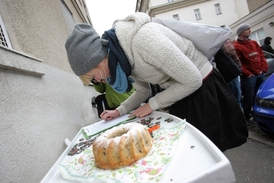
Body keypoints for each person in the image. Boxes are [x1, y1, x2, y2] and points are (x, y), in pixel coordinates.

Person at [65, 13, 248, 151]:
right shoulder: (122, 56)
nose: (97, 80)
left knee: (207, 148)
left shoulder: (143, 41)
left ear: (99, 60)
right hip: (180, 91)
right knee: (188, 147)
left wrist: (152, 104)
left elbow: (192, 80)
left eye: (93, 75)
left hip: (202, 90)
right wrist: (119, 110)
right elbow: (142, 90)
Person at [233, 23, 268, 124]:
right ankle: (247, 116)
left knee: (259, 96)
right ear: (241, 32)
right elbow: (238, 62)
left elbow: (261, 55)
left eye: (249, 29)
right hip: (249, 77)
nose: (250, 30)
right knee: (248, 97)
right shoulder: (237, 46)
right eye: (247, 29)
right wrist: (247, 74)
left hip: (260, 74)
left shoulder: (254, 43)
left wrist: (263, 68)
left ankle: (256, 113)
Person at [222, 38, 242, 107]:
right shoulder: (222, 39)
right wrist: (239, 68)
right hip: (230, 74)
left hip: (221, 75)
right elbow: (231, 52)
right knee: (236, 100)